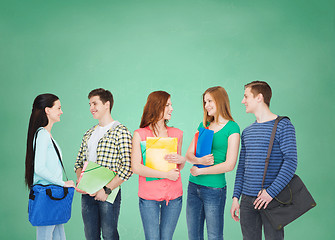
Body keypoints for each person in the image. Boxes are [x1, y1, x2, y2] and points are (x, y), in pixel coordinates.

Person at [230, 81, 297, 240]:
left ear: (259, 97)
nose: (242, 101)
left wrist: (270, 193)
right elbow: (242, 168)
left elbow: (291, 162)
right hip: (246, 201)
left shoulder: (283, 125)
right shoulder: (247, 132)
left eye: (246, 96)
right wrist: (235, 197)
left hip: (272, 200)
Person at [74, 88, 132, 240]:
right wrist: (82, 182)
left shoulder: (121, 131)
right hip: (87, 195)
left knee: (109, 235)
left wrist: (106, 190)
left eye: (95, 103)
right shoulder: (89, 133)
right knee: (90, 236)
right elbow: (78, 163)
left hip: (108, 194)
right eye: (90, 104)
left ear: (107, 104)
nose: (91, 108)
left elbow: (127, 167)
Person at [185, 86, 240, 240]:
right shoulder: (203, 125)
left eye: (210, 101)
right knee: (193, 235)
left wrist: (201, 170)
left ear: (220, 101)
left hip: (215, 190)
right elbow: (189, 154)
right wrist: (198, 161)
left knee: (214, 236)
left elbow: (230, 164)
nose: (206, 105)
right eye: (205, 102)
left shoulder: (232, 128)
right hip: (193, 186)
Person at [131, 91, 185, 240]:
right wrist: (165, 175)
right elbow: (136, 167)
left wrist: (182, 160)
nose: (171, 108)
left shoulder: (177, 134)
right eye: (167, 105)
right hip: (149, 196)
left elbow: (177, 168)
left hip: (174, 195)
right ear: (157, 107)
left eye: (171, 105)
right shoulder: (139, 134)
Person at [25, 94, 75, 240]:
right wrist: (63, 183)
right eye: (58, 108)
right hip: (48, 196)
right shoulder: (42, 135)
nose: (61, 111)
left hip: (52, 196)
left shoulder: (46, 134)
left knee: (59, 237)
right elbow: (39, 168)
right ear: (47, 110)